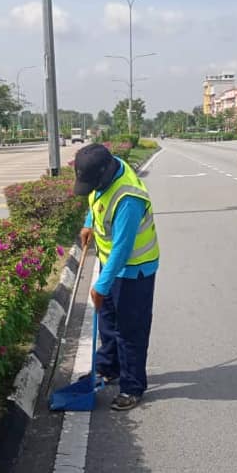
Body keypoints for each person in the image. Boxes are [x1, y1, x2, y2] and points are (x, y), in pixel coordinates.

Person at [74, 143, 159, 411]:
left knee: (130, 330)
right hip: (110, 261)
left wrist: (101, 285)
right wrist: (89, 222)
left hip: (135, 269)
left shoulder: (129, 198)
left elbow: (123, 249)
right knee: (108, 320)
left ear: (104, 173)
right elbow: (96, 198)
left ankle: (133, 387)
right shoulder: (105, 168)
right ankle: (108, 367)